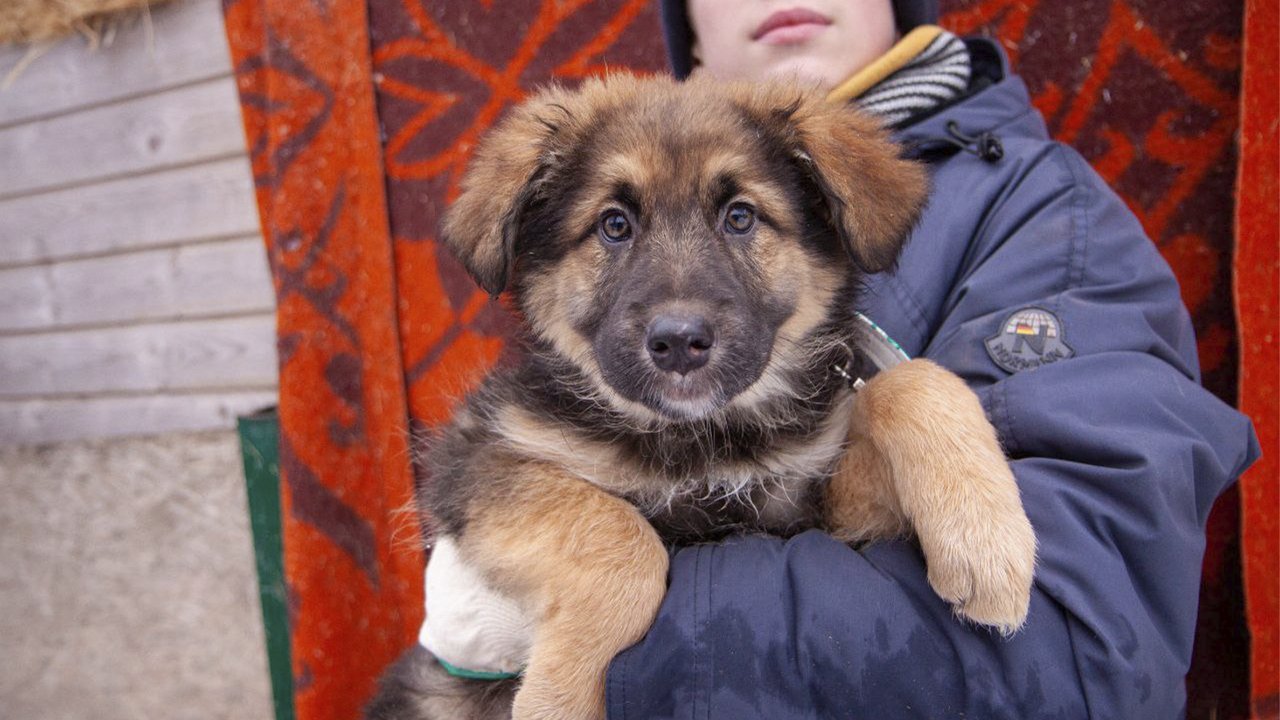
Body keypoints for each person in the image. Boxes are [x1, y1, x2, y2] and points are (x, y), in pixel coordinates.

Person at [598, 1, 1260, 717]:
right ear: (689, 29)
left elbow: (1076, 654)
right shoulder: (602, 208)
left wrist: (607, 638)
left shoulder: (1041, 221)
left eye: (743, 217)